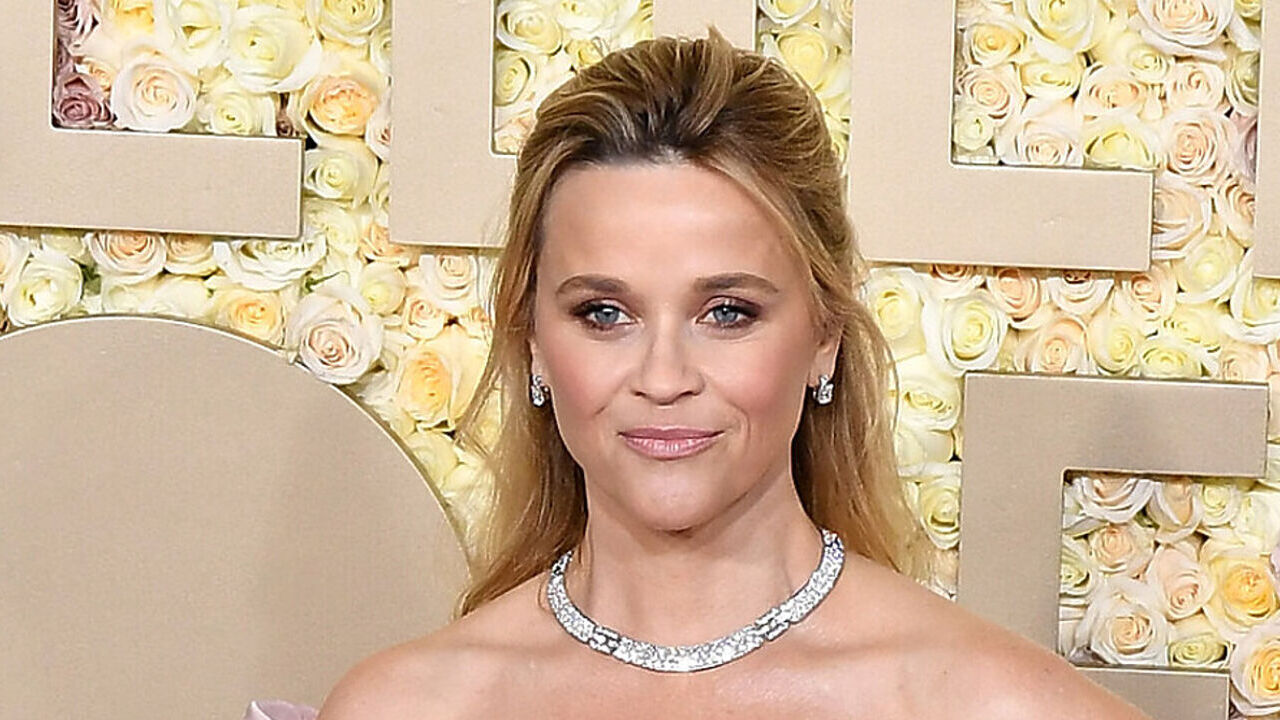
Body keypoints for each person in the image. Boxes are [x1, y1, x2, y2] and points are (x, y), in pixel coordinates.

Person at [316, 28, 1153, 719]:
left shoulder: (991, 703)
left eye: (727, 312)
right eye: (603, 313)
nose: (663, 376)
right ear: (531, 339)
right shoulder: (404, 706)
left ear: (824, 335)